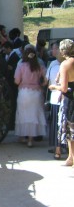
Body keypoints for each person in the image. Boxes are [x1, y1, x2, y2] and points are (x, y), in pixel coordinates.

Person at [14, 45, 47, 148]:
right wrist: (41, 85)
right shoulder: (39, 66)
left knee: (23, 115)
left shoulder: (21, 65)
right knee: (34, 115)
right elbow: (46, 79)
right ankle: (30, 140)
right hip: (36, 93)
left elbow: (16, 81)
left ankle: (23, 136)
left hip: (24, 92)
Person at [48, 39, 74, 167]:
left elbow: (63, 88)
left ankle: (71, 157)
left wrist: (54, 87)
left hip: (70, 99)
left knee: (69, 129)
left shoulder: (65, 65)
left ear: (63, 51)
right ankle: (70, 157)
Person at [46, 41, 63, 159]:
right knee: (56, 123)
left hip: (60, 95)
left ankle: (59, 147)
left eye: (54, 49)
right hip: (54, 98)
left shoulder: (63, 65)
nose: (52, 51)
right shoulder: (52, 64)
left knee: (59, 123)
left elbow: (47, 81)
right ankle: (57, 146)